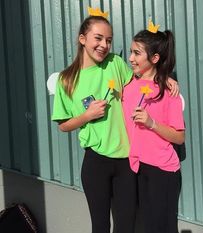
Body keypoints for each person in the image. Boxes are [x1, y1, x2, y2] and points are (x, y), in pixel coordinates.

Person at [52, 13, 179, 233]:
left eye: (109, 40)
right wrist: (86, 115)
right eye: (98, 38)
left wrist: (163, 76)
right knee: (100, 225)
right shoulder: (67, 80)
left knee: (125, 226)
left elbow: (141, 77)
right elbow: (63, 125)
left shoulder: (115, 63)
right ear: (83, 39)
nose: (104, 45)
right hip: (95, 162)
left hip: (126, 162)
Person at [122, 29, 185, 233]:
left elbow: (179, 136)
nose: (130, 58)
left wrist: (152, 123)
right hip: (139, 167)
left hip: (163, 171)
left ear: (155, 57)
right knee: (149, 226)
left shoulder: (168, 91)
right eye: (131, 52)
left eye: (137, 53)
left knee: (163, 228)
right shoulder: (129, 84)